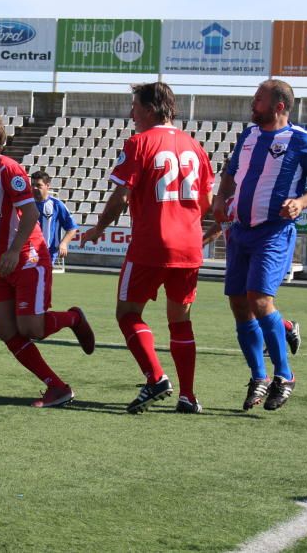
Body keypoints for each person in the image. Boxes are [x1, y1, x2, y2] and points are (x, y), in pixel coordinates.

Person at [80, 82, 214, 414]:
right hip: (189, 246)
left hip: (152, 243)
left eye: (135, 106)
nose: (131, 113)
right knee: (180, 321)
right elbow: (208, 200)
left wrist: (99, 227)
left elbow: (120, 196)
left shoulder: (139, 143)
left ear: (150, 109)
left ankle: (155, 378)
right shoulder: (194, 146)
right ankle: (188, 396)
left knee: (127, 313)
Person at [213, 80, 307, 412]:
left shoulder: (302, 140)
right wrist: (221, 197)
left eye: (259, 99)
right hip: (240, 231)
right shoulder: (249, 136)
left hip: (273, 231)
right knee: (239, 304)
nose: (253, 103)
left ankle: (285, 375)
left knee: (261, 299)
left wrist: (302, 202)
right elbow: (231, 171)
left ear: (278, 106)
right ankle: (259, 377)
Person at [0, 110, 95, 408]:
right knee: (5, 329)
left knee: (32, 329)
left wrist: (12, 251)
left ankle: (74, 318)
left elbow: (31, 214)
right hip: (1, 263)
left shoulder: (9, 169)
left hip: (28, 259)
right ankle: (57, 387)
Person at [202, 218, 301, 354]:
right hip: (238, 255)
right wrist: (199, 244)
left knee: (258, 300)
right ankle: (285, 328)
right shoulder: (228, 204)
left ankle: (279, 337)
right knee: (243, 304)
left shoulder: (250, 203)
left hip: (260, 253)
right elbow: (220, 225)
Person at [30, 171, 79, 267]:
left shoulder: (57, 205)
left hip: (48, 253)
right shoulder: (26, 204)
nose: (35, 188)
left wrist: (64, 243)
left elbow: (72, 228)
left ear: (47, 186)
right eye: (33, 185)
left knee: (42, 280)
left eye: (39, 185)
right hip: (28, 250)